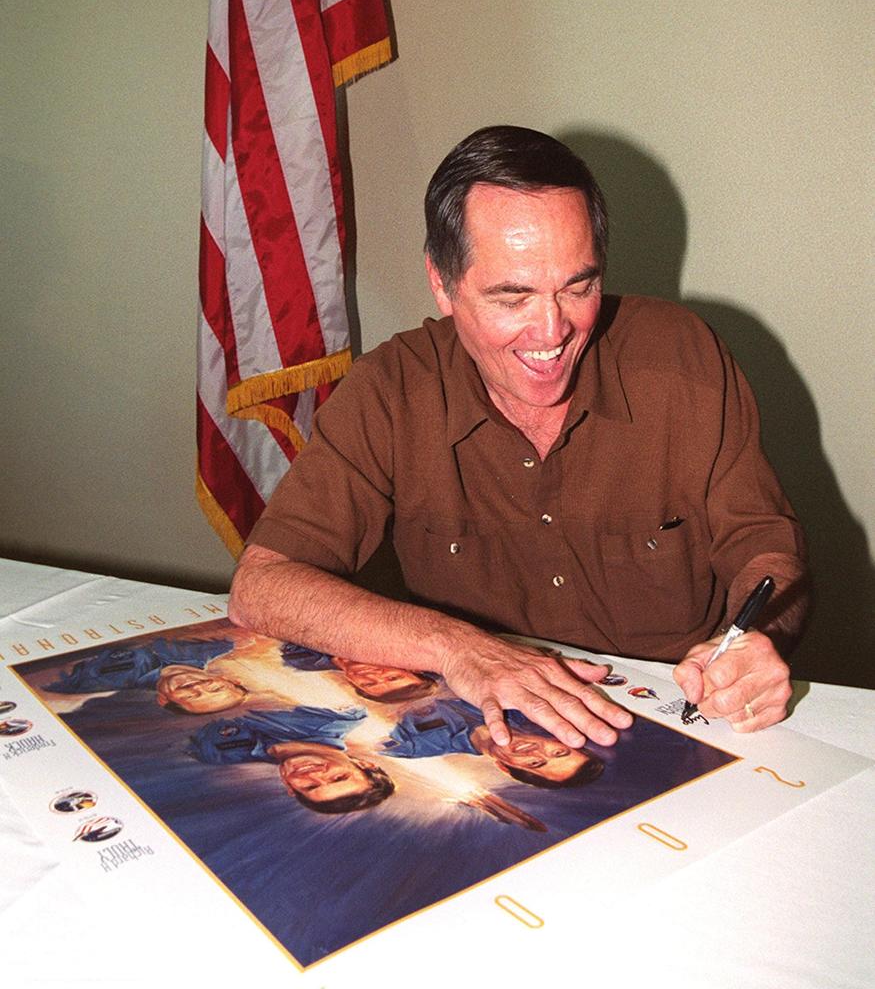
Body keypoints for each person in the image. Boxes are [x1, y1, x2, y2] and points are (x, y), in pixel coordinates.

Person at [229, 127, 809, 749]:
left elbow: (765, 551)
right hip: (482, 737)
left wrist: (759, 640)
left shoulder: (683, 358)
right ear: (441, 284)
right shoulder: (390, 391)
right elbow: (262, 586)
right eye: (512, 296)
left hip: (675, 724)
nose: (553, 330)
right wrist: (458, 648)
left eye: (578, 286)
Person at [189, 705, 395, 814]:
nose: (313, 775)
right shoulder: (340, 715)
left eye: (310, 787)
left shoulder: (217, 755)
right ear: (363, 764)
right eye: (339, 777)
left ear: (290, 788)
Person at [381, 697, 604, 788]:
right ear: (558, 739)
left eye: (536, 764)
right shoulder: (519, 702)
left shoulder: (414, 746)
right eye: (558, 753)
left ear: (504, 768)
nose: (537, 752)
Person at [47, 637, 248, 714]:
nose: (196, 687)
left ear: (162, 700)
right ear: (228, 679)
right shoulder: (221, 645)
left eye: (191, 697)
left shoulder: (102, 682)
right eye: (215, 688)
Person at [279, 642, 438, 702]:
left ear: (353, 684)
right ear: (410, 668)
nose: (371, 675)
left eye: (368, 684)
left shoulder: (302, 662)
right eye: (393, 677)